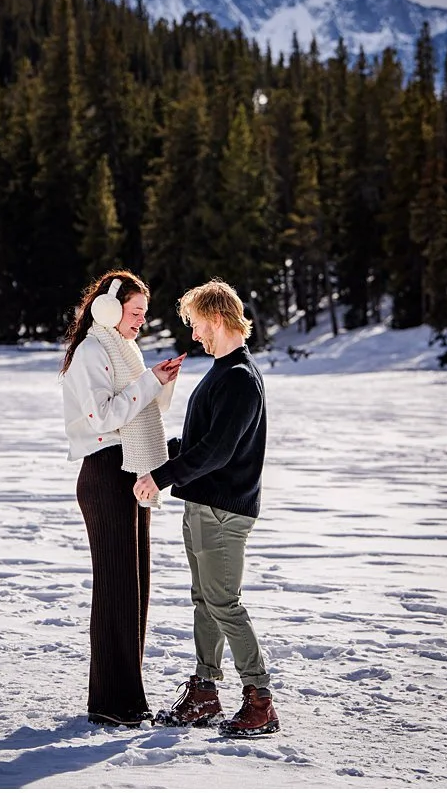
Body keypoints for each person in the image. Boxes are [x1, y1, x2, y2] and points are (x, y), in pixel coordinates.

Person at [139, 280, 279, 736]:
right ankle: (204, 692)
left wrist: (161, 476)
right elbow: (200, 441)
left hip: (222, 510)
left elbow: (218, 451)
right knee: (206, 601)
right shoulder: (223, 371)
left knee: (223, 603)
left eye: (197, 325)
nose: (195, 334)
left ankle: (260, 700)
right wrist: (152, 454)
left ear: (217, 319)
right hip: (203, 505)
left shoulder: (239, 377)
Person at [60, 270, 184, 727]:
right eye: (135, 312)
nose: (140, 322)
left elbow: (144, 408)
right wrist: (148, 382)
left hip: (131, 468)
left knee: (134, 588)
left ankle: (127, 699)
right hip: (104, 472)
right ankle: (113, 704)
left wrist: (161, 382)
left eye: (143, 314)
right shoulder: (92, 351)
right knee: (116, 589)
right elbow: (103, 417)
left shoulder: (125, 349)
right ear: (109, 308)